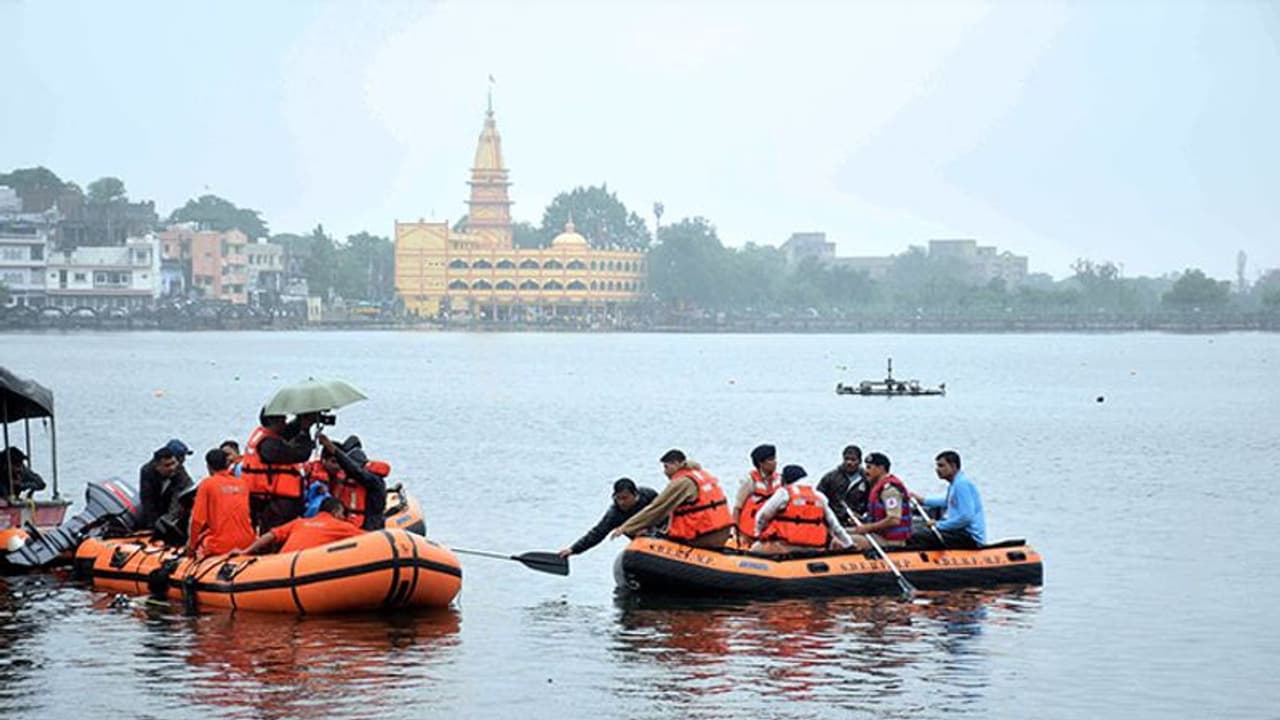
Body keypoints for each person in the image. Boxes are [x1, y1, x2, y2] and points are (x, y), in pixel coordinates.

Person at [610, 449, 733, 549]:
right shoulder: (701, 474)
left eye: (666, 467)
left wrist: (626, 527)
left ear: (677, 464)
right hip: (722, 533)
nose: (665, 472)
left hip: (703, 537)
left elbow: (657, 508)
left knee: (648, 536)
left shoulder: (681, 483)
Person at [240, 409, 317, 533]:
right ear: (272, 420)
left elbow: (287, 431)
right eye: (282, 419)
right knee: (275, 537)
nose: (285, 422)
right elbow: (300, 454)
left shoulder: (265, 436)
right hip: (273, 505)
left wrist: (301, 419)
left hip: (269, 501)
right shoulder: (268, 445)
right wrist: (305, 431)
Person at [752, 464, 852, 555]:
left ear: (785, 480)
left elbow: (762, 516)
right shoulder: (819, 496)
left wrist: (759, 533)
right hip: (816, 547)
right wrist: (849, 544)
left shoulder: (784, 493)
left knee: (755, 549)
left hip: (787, 546)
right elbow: (835, 526)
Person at [558, 478, 658, 558]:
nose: (621, 502)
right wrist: (573, 549)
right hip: (641, 541)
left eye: (625, 498)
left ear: (635, 495)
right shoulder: (615, 514)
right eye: (618, 498)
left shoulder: (649, 495)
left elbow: (666, 508)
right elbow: (597, 533)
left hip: (660, 531)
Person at [909, 450, 986, 549]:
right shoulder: (955, 484)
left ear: (953, 466)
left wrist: (939, 525)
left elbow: (966, 517)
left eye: (941, 466)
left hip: (968, 536)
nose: (937, 469)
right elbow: (947, 501)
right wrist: (923, 500)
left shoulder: (961, 485)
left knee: (917, 536)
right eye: (937, 466)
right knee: (919, 529)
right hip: (959, 532)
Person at [187, 448, 256, 559]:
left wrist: (191, 546)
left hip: (220, 546)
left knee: (201, 543)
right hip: (248, 543)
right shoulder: (242, 484)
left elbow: (197, 520)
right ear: (227, 464)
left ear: (208, 466)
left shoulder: (207, 484)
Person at [235, 497, 364, 555]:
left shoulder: (300, 522)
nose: (343, 518)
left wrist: (246, 551)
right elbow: (371, 538)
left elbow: (270, 535)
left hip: (280, 563)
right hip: (303, 569)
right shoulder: (339, 526)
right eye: (342, 514)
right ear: (336, 512)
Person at [316, 433, 386, 531]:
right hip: (346, 524)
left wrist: (332, 448)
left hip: (368, 528)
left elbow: (355, 471)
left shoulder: (373, 481)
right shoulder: (342, 478)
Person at [847, 452, 912, 550]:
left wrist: (868, 528)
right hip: (877, 534)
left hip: (890, 540)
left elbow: (894, 520)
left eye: (869, 467)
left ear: (881, 468)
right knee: (841, 532)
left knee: (844, 540)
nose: (866, 471)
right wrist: (861, 520)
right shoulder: (877, 487)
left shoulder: (890, 490)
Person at [138, 440, 194, 531]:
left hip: (172, 509)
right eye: (181, 457)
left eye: (174, 463)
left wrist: (168, 520)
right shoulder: (147, 471)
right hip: (156, 506)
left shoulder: (180, 472)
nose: (184, 460)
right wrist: (154, 524)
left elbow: (178, 499)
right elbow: (147, 499)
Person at [731, 444, 780, 548]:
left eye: (775, 458)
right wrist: (734, 530)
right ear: (760, 463)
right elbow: (737, 507)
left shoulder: (780, 480)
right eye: (771, 460)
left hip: (772, 532)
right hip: (749, 532)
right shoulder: (749, 481)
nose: (775, 462)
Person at [816, 444, 869, 527]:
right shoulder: (831, 477)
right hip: (833, 519)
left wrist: (861, 517)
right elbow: (818, 497)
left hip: (857, 520)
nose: (849, 462)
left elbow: (871, 502)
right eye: (846, 459)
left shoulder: (867, 479)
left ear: (860, 461)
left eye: (853, 460)